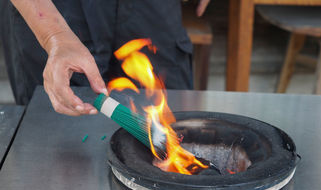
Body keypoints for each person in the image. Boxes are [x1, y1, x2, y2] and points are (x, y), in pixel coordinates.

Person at [1, 0, 210, 116]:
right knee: (60, 143)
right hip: (52, 9)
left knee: (172, 126)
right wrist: (54, 36)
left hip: (151, 8)